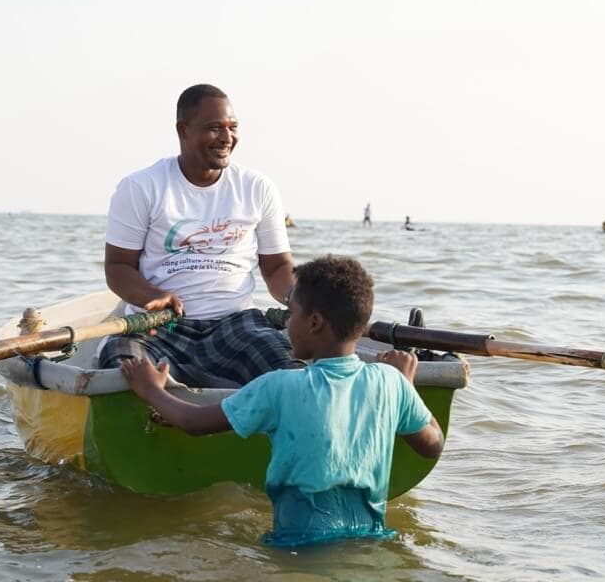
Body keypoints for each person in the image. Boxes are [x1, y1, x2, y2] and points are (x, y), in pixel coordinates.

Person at [121, 255, 444, 547]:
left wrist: (150, 389)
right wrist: (405, 385)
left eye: (292, 315)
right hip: (371, 540)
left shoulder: (279, 386)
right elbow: (432, 444)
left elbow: (193, 423)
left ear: (314, 322)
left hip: (297, 547)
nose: (287, 324)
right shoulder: (389, 382)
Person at [100, 83, 301, 388]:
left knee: (291, 374)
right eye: (214, 128)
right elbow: (118, 268)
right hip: (161, 326)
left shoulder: (257, 188)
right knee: (121, 364)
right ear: (184, 131)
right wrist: (151, 296)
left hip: (237, 325)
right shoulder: (141, 187)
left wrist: (298, 299)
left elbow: (276, 268)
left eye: (232, 127)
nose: (226, 138)